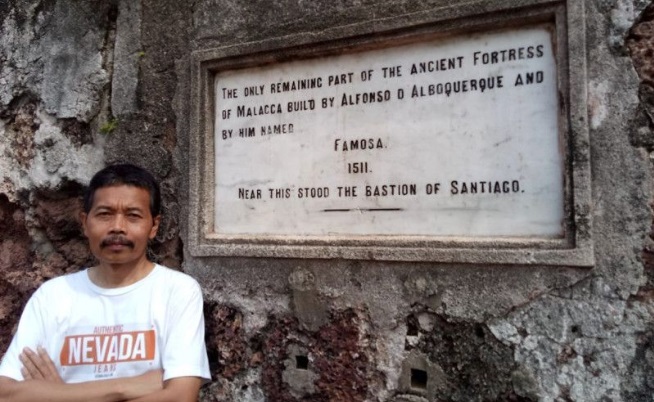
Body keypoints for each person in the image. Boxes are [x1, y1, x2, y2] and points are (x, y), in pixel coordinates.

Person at [0, 163, 210, 402]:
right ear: (85, 223)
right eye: (104, 214)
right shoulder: (53, 297)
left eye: (133, 216)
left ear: (154, 226)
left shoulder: (177, 291)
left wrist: (59, 395)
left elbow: (180, 397)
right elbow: (6, 394)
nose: (117, 227)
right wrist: (124, 387)